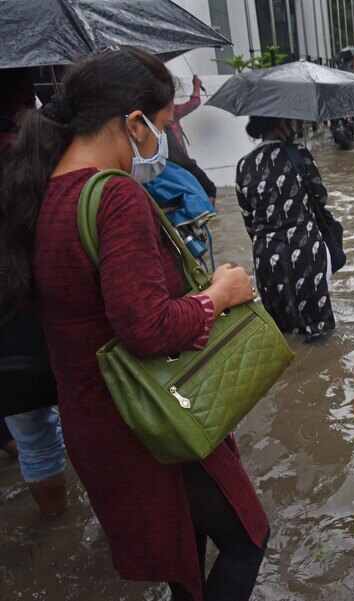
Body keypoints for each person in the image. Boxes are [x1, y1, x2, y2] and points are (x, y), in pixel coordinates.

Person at [1, 48, 268, 601]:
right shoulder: (115, 196)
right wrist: (218, 295)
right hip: (154, 419)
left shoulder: (46, 191)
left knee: (183, 560)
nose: (162, 146)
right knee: (246, 539)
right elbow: (146, 326)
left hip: (99, 421)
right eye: (164, 127)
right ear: (132, 122)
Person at [0, 67, 68, 518]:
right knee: (82, 421)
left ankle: (55, 526)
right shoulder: (39, 154)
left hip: (10, 327)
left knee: (31, 434)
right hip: (42, 313)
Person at [236, 116, 336, 342]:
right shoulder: (298, 154)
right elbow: (320, 197)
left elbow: (248, 219)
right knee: (319, 331)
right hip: (304, 250)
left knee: (283, 334)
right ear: (281, 124)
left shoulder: (244, 164)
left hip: (266, 258)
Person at [167, 74, 217, 205]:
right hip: (178, 162)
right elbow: (195, 102)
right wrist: (196, 86)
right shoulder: (171, 114)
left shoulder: (170, 112)